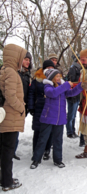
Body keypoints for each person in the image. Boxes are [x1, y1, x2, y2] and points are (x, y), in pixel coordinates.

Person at [30, 68, 87, 169]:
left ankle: (58, 160)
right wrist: (66, 85)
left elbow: (71, 93)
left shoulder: (61, 86)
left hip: (60, 119)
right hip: (48, 118)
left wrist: (80, 86)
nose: (59, 77)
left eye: (59, 76)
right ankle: (36, 159)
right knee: (43, 139)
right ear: (51, 78)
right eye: (57, 76)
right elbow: (53, 93)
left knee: (58, 140)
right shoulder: (47, 87)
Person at [0, 44, 27, 191]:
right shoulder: (11, 72)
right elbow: (10, 95)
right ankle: (7, 182)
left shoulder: (4, 70)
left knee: (4, 150)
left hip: (5, 118)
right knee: (8, 151)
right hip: (10, 118)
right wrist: (21, 107)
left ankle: (4, 178)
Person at [28, 60, 55, 160]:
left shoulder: (55, 80)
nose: (50, 70)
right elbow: (31, 93)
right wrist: (31, 107)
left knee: (49, 130)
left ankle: (47, 150)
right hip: (39, 107)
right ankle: (36, 152)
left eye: (52, 68)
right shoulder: (37, 79)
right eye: (48, 68)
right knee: (38, 130)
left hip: (51, 108)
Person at [13, 52, 32, 160]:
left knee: (16, 131)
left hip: (22, 107)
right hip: (14, 106)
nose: (27, 62)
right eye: (25, 59)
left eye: (29, 60)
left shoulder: (27, 74)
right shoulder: (15, 73)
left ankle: (12, 151)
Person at [66, 54, 81, 138]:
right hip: (72, 95)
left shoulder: (79, 68)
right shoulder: (73, 68)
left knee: (74, 114)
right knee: (71, 115)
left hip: (77, 94)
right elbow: (72, 82)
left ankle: (73, 130)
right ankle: (69, 131)